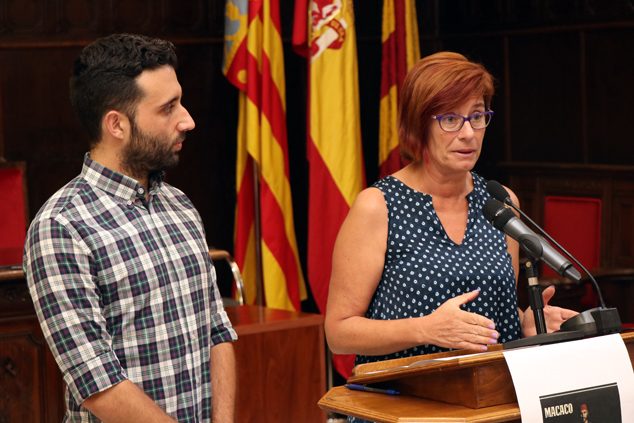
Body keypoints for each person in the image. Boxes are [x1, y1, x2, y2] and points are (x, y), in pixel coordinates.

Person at [325, 52, 577, 421]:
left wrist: (527, 322)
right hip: (404, 407)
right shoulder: (378, 206)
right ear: (419, 125)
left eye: (477, 116)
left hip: (491, 405)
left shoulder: (500, 202)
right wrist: (425, 329)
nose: (468, 133)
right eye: (450, 119)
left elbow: (496, 309)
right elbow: (339, 333)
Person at [23, 34, 237, 423]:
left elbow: (217, 332)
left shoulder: (180, 205)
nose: (187, 120)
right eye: (168, 108)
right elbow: (97, 383)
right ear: (116, 124)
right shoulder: (61, 226)